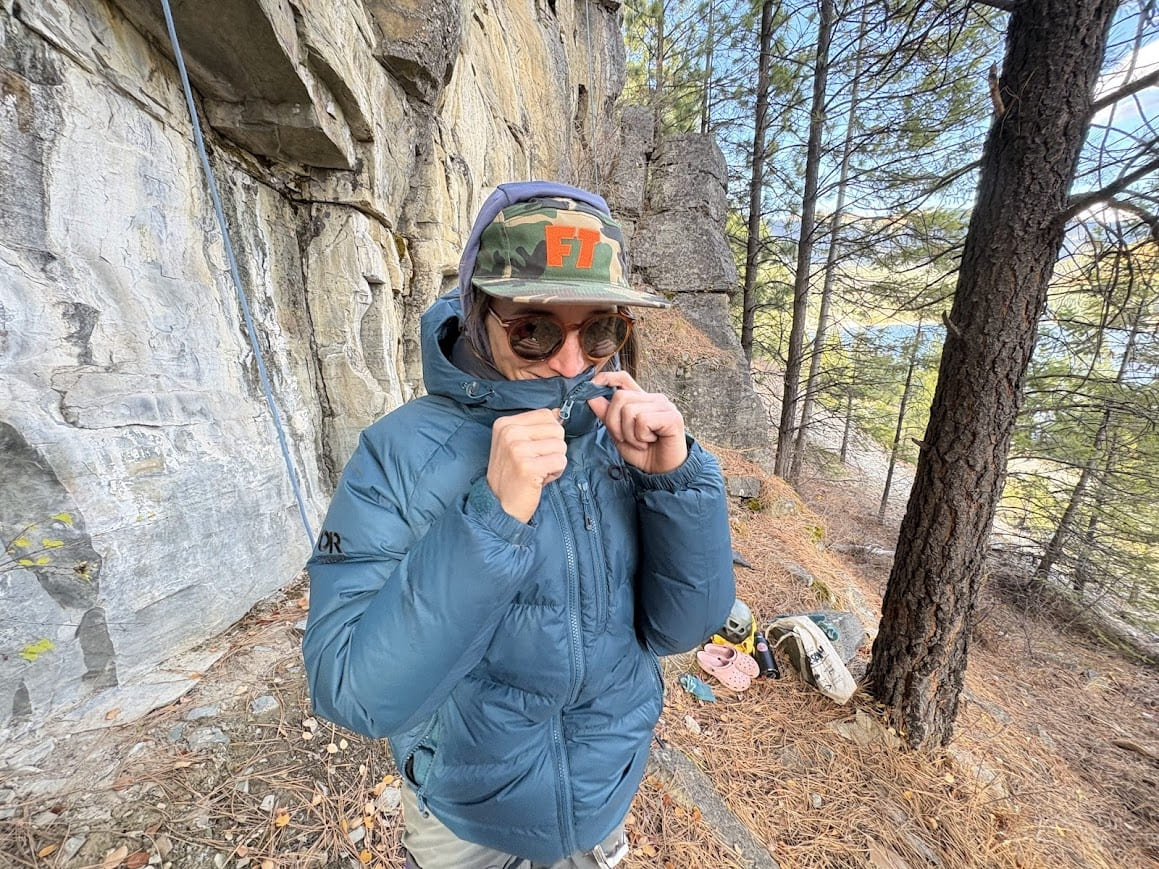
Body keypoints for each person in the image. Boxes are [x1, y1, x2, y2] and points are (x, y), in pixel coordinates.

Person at [303, 180, 735, 869]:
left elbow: (679, 630)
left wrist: (674, 482)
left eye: (599, 329)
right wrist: (490, 520)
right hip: (466, 815)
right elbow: (352, 691)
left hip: (605, 787)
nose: (570, 362)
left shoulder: (623, 434)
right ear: (478, 313)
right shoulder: (396, 453)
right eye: (534, 329)